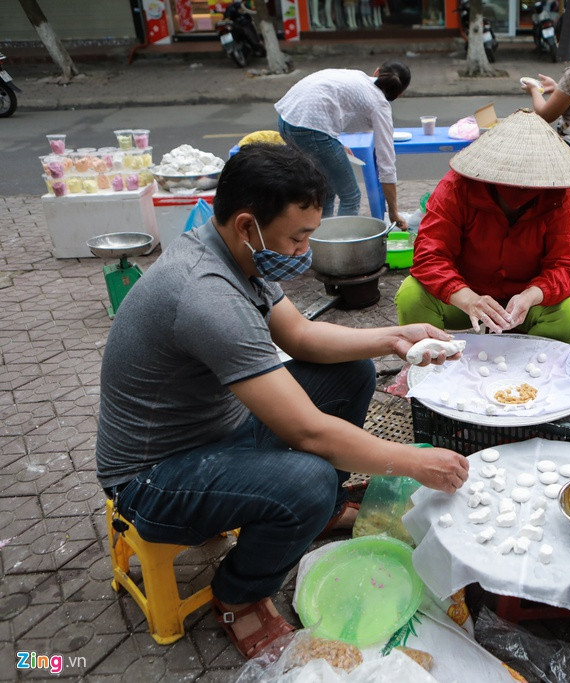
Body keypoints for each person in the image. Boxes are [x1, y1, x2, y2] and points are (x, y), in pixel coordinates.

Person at [95, 143, 469, 660]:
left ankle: (321, 509)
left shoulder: (235, 251)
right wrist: (414, 460)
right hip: (152, 479)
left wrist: (394, 337)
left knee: (351, 370)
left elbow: (302, 337)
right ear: (248, 224)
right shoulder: (207, 295)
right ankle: (240, 593)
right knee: (310, 479)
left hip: (216, 434)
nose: (303, 250)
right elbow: (307, 433)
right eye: (298, 236)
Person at [395, 111, 570, 343]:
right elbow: (429, 256)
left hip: (526, 303)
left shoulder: (557, 197)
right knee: (411, 295)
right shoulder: (457, 188)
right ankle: (436, 366)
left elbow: (565, 265)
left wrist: (530, 295)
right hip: (464, 295)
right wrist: (468, 299)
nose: (521, 189)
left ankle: (526, 370)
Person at [275, 61, 410, 226]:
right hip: (309, 129)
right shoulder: (379, 106)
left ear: (376, 72)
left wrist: (334, 144)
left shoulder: (357, 76)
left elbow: (328, 102)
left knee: (327, 189)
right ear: (399, 94)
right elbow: (386, 164)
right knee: (351, 196)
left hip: (286, 119)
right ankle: (338, 246)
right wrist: (394, 212)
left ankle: (321, 241)